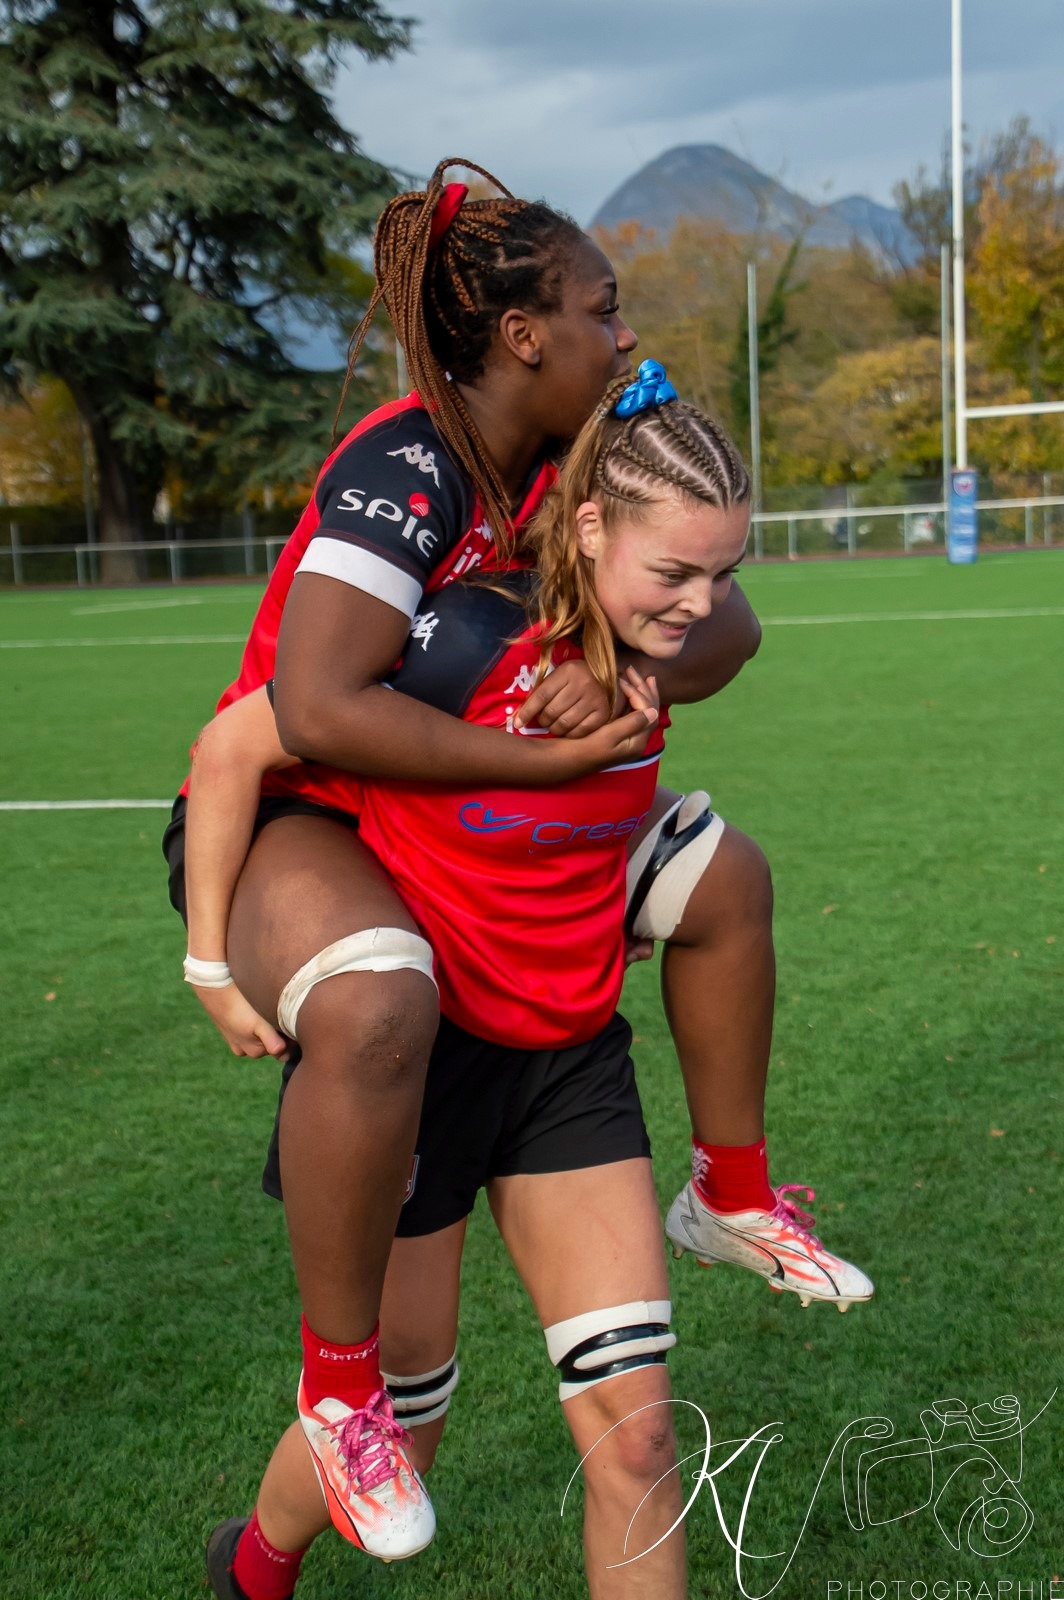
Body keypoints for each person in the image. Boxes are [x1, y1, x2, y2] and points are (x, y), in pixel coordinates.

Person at [164, 158, 771, 1571]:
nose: (624, 333)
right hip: (304, 819)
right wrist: (541, 763)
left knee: (722, 874)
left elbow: (730, 631)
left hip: (468, 829)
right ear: (522, 335)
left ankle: (734, 1185)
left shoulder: (587, 459)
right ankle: (338, 1395)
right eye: (601, 309)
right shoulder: (406, 463)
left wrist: (621, 664)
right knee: (380, 1003)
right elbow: (313, 712)